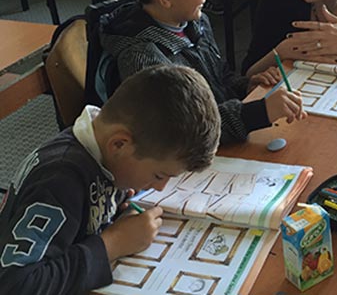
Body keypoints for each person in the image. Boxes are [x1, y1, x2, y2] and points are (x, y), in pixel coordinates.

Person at [0, 65, 221, 294]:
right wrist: (112, 244)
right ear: (119, 144)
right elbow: (15, 285)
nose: (160, 187)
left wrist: (116, 202)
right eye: (159, 175)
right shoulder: (59, 182)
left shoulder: (105, 156)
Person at [100, 0, 306, 143]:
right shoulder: (144, 61)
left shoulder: (195, 22)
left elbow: (220, 77)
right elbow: (187, 133)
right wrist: (259, 112)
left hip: (226, 140)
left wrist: (247, 85)